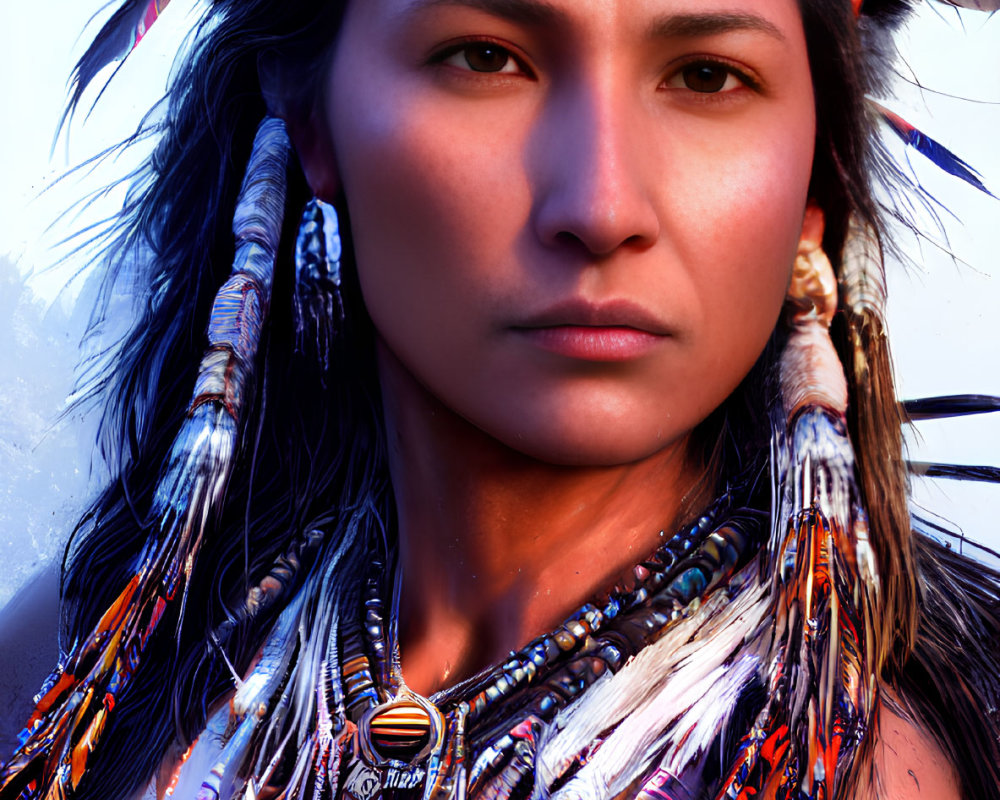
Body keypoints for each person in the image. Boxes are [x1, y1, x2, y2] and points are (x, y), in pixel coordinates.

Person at [1, 0, 998, 799]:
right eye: (485, 57)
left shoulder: (873, 764)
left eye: (705, 76)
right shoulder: (84, 658)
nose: (601, 206)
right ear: (313, 118)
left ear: (815, 168)